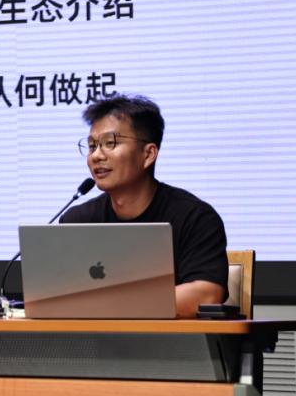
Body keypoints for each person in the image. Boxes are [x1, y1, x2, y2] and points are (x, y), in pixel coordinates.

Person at [60, 94, 228, 318]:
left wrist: (112, 303)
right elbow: (58, 296)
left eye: (110, 143)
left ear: (148, 154)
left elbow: (206, 294)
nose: (96, 156)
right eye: (92, 146)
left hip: (168, 339)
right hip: (92, 339)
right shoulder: (76, 221)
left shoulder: (194, 217)